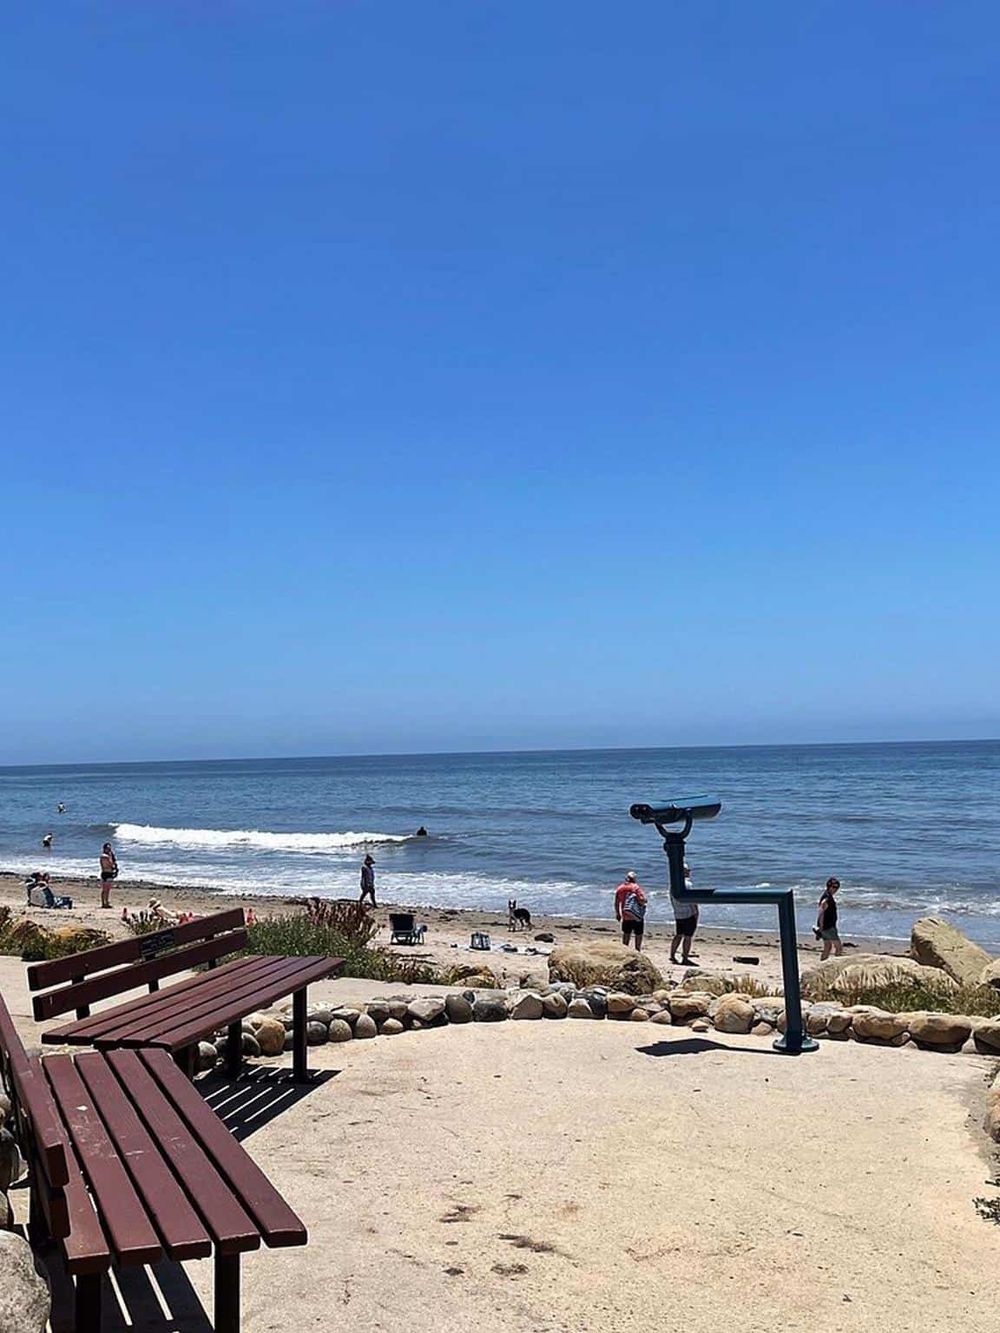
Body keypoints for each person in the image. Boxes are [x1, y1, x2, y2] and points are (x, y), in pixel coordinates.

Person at [670, 861, 699, 965]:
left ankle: (672, 955)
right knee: (688, 937)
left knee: (678, 935)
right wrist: (696, 912)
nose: (689, 872)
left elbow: (672, 899)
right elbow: (692, 900)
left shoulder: (674, 884)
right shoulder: (688, 884)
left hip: (678, 913)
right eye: (687, 870)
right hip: (688, 913)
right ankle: (685, 957)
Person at [614, 870, 647, 951]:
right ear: (634, 879)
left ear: (626, 879)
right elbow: (642, 900)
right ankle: (637, 950)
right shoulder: (636, 887)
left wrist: (618, 914)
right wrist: (645, 901)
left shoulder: (620, 888)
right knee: (638, 934)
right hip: (636, 915)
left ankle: (625, 950)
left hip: (625, 915)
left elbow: (616, 903)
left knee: (626, 934)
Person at [815, 876, 843, 959]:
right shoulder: (827, 898)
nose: (835, 889)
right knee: (839, 947)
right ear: (829, 886)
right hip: (828, 927)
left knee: (827, 947)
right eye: (834, 887)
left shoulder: (826, 895)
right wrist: (820, 927)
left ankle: (822, 963)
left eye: (837, 887)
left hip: (825, 927)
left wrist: (820, 927)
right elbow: (821, 912)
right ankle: (836, 965)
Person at [99, 841, 118, 909]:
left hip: (106, 873)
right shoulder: (105, 856)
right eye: (108, 848)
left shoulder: (105, 856)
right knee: (106, 890)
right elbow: (111, 864)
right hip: (107, 873)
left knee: (105, 889)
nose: (109, 850)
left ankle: (104, 902)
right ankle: (105, 903)